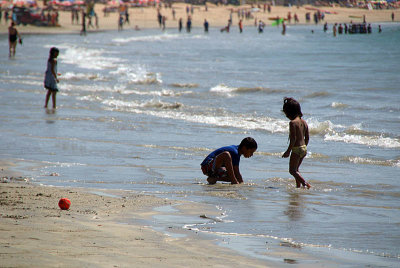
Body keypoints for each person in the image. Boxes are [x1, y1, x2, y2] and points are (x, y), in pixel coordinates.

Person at [281, 97, 311, 189]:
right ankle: (298, 186)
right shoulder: (304, 122)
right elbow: (307, 137)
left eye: (286, 114)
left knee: (292, 171)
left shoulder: (293, 123)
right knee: (296, 170)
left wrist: (288, 151)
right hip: (304, 148)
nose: (286, 116)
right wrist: (304, 147)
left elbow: (293, 139)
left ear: (289, 113)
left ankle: (305, 184)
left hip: (296, 149)